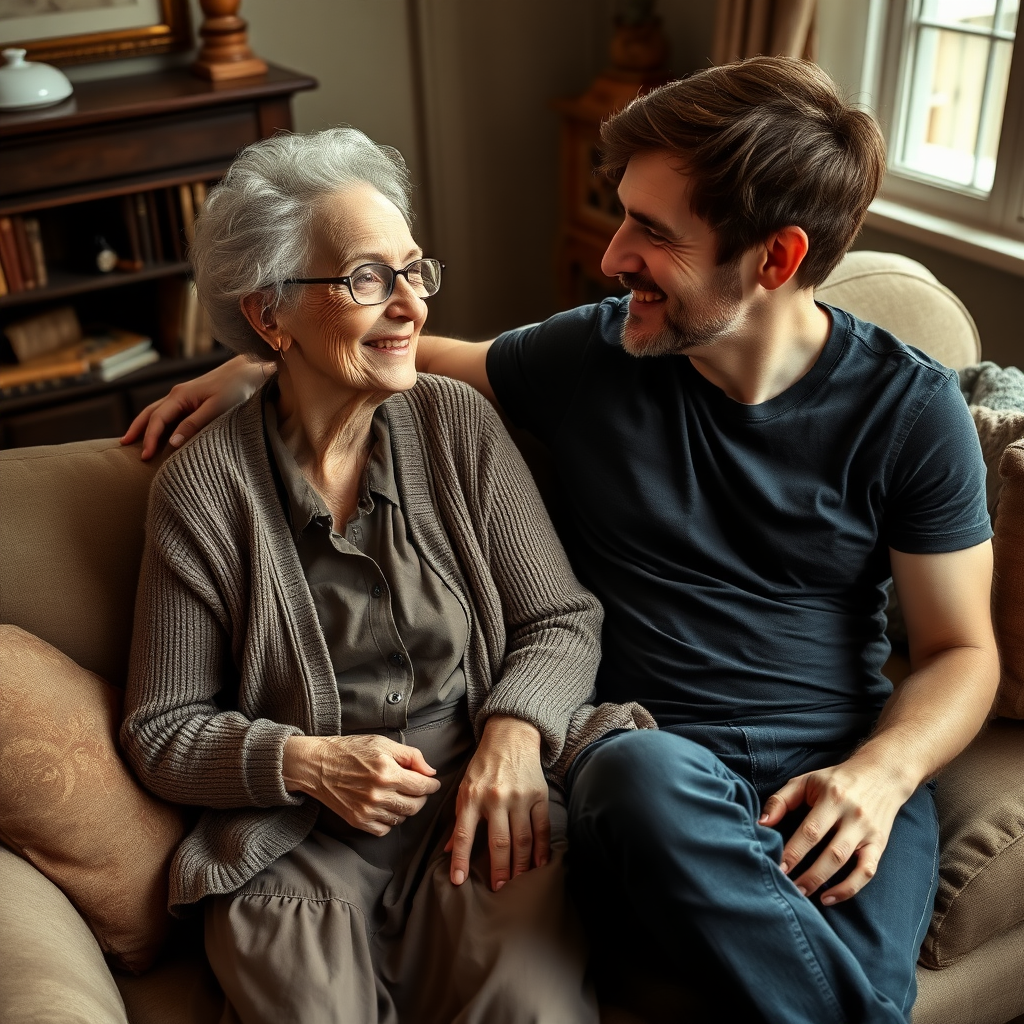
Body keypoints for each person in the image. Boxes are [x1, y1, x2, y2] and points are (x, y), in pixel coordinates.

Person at [125, 58, 1000, 1024]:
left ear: (775, 260)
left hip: (837, 765)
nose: (611, 255)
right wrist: (259, 366)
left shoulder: (914, 411)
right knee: (641, 773)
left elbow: (962, 650)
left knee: (862, 996)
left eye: (653, 233)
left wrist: (881, 775)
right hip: (652, 771)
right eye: (620, 214)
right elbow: (403, 358)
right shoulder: (597, 354)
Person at [119, 126, 653, 1024]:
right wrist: (308, 762)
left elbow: (561, 620)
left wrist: (513, 737)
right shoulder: (203, 490)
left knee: (531, 1009)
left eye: (415, 270)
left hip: (479, 810)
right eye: (368, 279)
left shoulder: (455, 426)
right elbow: (161, 728)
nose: (411, 306)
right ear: (268, 314)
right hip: (300, 843)